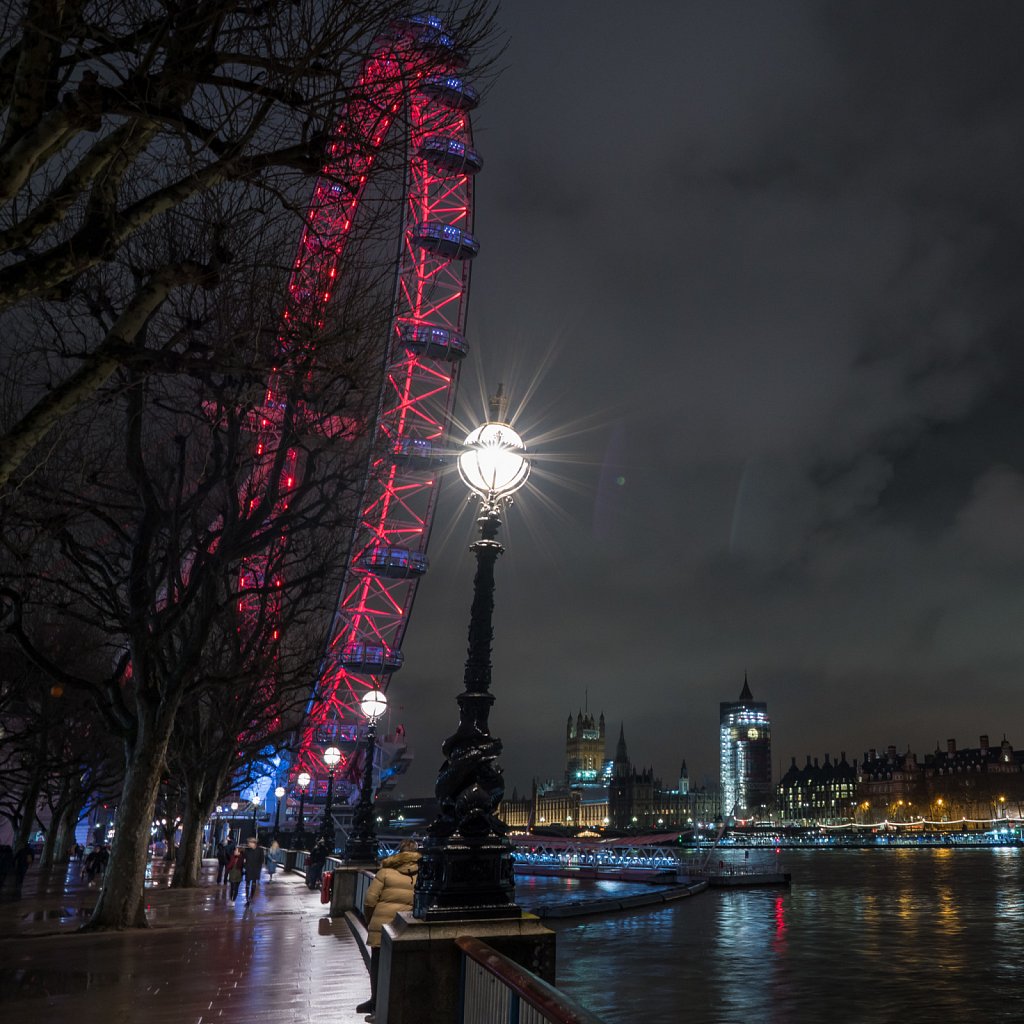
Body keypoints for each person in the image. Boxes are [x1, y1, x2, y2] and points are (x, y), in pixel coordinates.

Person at [357, 840, 420, 1016]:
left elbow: (370, 901)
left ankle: (376, 1002)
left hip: (381, 924)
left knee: (377, 966)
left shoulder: (385, 871)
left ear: (399, 852)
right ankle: (393, 1006)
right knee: (399, 968)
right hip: (404, 927)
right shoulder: (422, 873)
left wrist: (371, 921)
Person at [242, 836, 264, 905]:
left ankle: (251, 897)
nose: (248, 844)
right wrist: (245, 867)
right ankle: (247, 899)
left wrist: (259, 869)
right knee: (247, 884)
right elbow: (244, 859)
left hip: (255, 870)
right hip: (248, 869)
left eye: (249, 843)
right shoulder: (247, 850)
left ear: (253, 843)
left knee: (254, 885)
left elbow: (261, 860)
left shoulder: (260, 850)